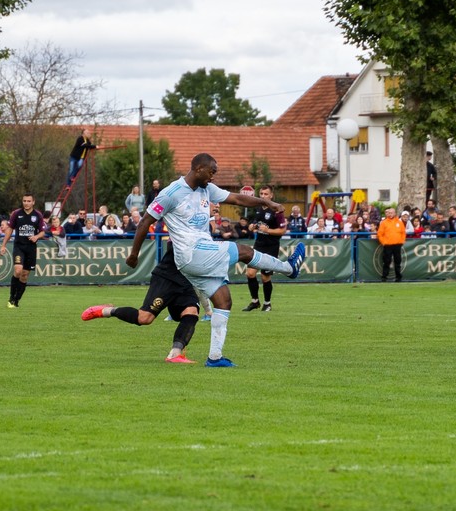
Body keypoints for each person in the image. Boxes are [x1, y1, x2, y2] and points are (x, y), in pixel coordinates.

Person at [123, 154, 306, 368]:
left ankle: (215, 358)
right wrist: (134, 254)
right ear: (199, 168)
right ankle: (289, 268)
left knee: (223, 300)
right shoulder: (171, 193)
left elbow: (238, 199)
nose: (213, 176)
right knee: (245, 251)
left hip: (193, 259)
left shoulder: (206, 189)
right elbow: (145, 220)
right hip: (192, 252)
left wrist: (266, 202)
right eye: (211, 171)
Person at [83, 243, 205, 363]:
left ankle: (175, 354)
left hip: (186, 279)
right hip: (167, 277)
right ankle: (107, 310)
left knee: (191, 312)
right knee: (145, 318)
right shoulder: (181, 227)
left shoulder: (205, 229)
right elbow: (149, 228)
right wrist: (134, 254)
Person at [243, 184, 287, 313]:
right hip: (259, 245)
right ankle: (255, 301)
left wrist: (268, 230)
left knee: (265, 277)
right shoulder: (258, 209)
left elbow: (282, 230)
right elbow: (255, 224)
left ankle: (267, 303)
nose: (263, 196)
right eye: (261, 194)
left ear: (271, 195)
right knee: (250, 273)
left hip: (271, 246)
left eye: (266, 194)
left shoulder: (277, 210)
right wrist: (251, 227)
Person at [0, 193, 47, 308]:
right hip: (19, 246)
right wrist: (3, 245)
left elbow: (43, 231)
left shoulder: (38, 215)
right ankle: (11, 298)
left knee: (24, 275)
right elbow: (10, 229)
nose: (26, 203)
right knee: (18, 270)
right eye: (24, 201)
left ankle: (16, 300)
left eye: (29, 201)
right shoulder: (16, 214)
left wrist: (36, 237)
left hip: (31, 248)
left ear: (33, 202)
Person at [377, 207, 406, 282]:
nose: (390, 214)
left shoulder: (399, 222)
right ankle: (384, 277)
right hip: (388, 245)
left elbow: (403, 233)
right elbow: (380, 234)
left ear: (395, 213)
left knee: (398, 261)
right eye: (389, 213)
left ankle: (398, 277)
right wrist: (383, 242)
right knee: (386, 261)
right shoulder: (384, 222)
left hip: (397, 245)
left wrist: (402, 241)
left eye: (391, 212)